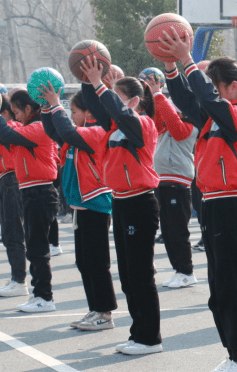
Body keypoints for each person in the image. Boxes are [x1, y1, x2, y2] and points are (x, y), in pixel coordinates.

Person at [160, 33, 237, 372]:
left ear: (233, 87)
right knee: (219, 290)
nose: (212, 97)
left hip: (234, 205)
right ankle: (235, 356)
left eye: (218, 90)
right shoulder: (215, 117)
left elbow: (205, 97)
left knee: (232, 287)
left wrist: (189, 60)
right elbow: (189, 100)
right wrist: (172, 66)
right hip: (214, 206)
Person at [81, 63, 163, 355]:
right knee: (128, 274)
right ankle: (138, 332)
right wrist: (89, 80)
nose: (112, 103)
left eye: (117, 97)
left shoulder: (142, 123)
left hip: (141, 201)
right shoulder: (115, 128)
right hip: (122, 202)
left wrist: (101, 86)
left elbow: (119, 113)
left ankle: (150, 337)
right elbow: (96, 104)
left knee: (141, 273)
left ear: (133, 101)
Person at [40, 86, 118, 331]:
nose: (71, 116)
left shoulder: (97, 132)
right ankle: (95, 309)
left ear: (88, 112)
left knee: (97, 262)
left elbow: (66, 130)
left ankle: (105, 314)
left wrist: (56, 104)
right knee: (84, 262)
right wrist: (46, 107)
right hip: (80, 206)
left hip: (95, 203)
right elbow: (54, 130)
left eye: (74, 111)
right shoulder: (80, 132)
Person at [0, 89, 59, 312]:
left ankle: (44, 297)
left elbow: (7, 134)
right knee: (34, 247)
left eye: (16, 111)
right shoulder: (28, 128)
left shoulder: (38, 128)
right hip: (32, 191)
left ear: (29, 109)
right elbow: (1, 133)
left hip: (40, 191)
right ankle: (39, 294)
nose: (14, 116)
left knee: (38, 248)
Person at [143, 67, 199, 290]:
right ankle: (179, 270)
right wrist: (152, 96)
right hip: (163, 182)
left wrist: (159, 95)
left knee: (178, 230)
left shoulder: (189, 126)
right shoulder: (164, 125)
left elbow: (175, 128)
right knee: (167, 230)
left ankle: (186, 271)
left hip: (178, 183)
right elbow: (155, 120)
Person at [0, 96, 30, 298]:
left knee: (13, 232)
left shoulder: (12, 126)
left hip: (12, 180)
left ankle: (19, 281)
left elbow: (3, 131)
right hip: (2, 181)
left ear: (5, 113)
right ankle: (16, 277)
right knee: (7, 233)